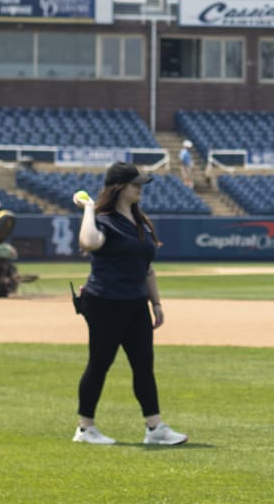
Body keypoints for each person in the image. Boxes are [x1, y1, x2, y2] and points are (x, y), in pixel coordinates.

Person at [70, 162, 188, 446]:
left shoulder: (139, 221)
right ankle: (85, 429)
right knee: (100, 364)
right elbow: (89, 242)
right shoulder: (103, 219)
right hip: (105, 303)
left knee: (143, 365)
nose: (141, 188)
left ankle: (155, 427)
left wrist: (156, 303)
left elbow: (147, 266)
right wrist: (89, 209)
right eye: (136, 183)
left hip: (135, 303)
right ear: (120, 187)